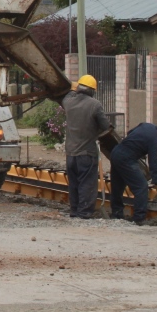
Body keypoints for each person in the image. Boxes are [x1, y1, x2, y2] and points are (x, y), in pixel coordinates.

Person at [109, 117, 157, 224]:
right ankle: (139, 219)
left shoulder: (147, 125)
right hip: (126, 159)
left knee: (117, 187)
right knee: (141, 187)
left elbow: (130, 133)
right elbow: (153, 165)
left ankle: (116, 214)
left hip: (115, 153)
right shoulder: (156, 141)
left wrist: (138, 147)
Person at [62, 75, 111, 219]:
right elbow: (106, 126)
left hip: (70, 153)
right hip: (87, 153)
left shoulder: (68, 102)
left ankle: (74, 210)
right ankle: (84, 212)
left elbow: (70, 93)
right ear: (92, 91)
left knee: (74, 183)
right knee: (87, 183)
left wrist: (74, 86)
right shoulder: (95, 105)